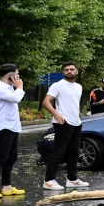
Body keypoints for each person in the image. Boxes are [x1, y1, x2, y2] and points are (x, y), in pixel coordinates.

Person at [42, 62, 89, 190]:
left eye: (72, 69)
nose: (69, 71)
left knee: (73, 152)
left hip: (76, 123)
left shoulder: (78, 87)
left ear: (76, 71)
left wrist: (78, 114)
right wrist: (56, 114)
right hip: (63, 123)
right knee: (58, 152)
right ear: (63, 72)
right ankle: (49, 180)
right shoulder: (57, 86)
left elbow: (73, 103)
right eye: (66, 70)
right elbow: (46, 102)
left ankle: (72, 179)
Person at [0, 64, 26, 199]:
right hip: (2, 128)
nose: (19, 77)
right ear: (11, 76)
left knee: (11, 158)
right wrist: (20, 87)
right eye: (17, 74)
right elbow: (16, 98)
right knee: (1, 158)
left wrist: (16, 88)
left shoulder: (9, 88)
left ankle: (7, 186)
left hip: (12, 127)